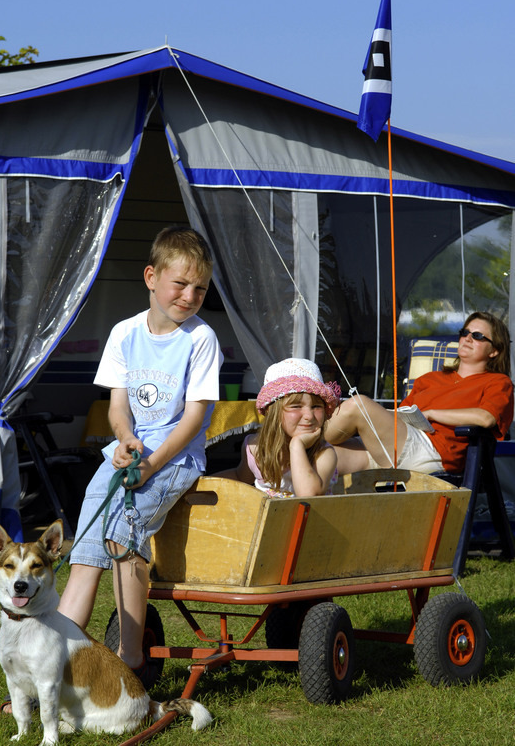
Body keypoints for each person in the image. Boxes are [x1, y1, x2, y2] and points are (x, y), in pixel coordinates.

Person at [57, 225, 223, 678]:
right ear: (151, 276)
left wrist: (150, 463)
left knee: (123, 536)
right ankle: (56, 668)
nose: (190, 296)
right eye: (180, 283)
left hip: (175, 457)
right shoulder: (124, 333)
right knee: (87, 549)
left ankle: (130, 659)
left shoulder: (201, 339)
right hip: (127, 453)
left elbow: (192, 420)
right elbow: (116, 408)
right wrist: (126, 440)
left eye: (201, 288)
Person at [324, 311, 514, 476]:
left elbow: (487, 418)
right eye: (465, 332)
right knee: (323, 456)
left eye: (478, 336)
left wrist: (431, 413)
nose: (468, 338)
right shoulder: (430, 378)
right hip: (398, 446)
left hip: (433, 452)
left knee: (359, 405)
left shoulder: (498, 382)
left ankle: (306, 435)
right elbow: (404, 413)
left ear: (494, 351)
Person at [217, 358, 340, 497]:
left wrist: (297, 445)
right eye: (296, 406)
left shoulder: (323, 454)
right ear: (272, 411)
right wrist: (196, 485)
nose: (309, 416)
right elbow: (241, 477)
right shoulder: (256, 449)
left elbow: (308, 495)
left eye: (316, 406)